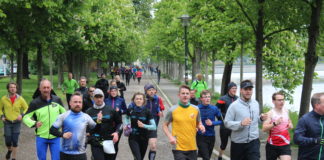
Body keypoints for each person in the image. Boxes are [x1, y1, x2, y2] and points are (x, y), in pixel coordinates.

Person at [23, 79, 66, 160]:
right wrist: (34, 123)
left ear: (51, 88)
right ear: (40, 89)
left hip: (55, 136)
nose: (46, 90)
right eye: (44, 88)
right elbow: (25, 117)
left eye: (48, 87)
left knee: (56, 158)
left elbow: (65, 115)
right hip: (41, 137)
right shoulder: (35, 103)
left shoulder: (57, 100)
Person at [224, 80, 267, 160]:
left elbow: (255, 121)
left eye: (250, 89)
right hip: (238, 144)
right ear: (241, 90)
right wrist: (240, 123)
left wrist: (260, 118)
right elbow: (227, 123)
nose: (248, 92)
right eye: (245, 89)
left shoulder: (255, 104)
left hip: (253, 142)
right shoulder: (234, 106)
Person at [163, 85, 205, 160]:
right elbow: (164, 125)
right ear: (179, 95)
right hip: (178, 146)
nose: (185, 95)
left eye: (187, 93)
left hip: (192, 146)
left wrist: (201, 126)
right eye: (183, 93)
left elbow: (199, 123)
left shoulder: (196, 109)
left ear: (190, 95)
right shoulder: (172, 110)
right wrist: (170, 137)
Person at [50, 93, 97, 160]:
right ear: (70, 103)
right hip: (65, 154)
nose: (78, 104)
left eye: (80, 102)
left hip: (81, 154)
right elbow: (52, 130)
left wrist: (89, 136)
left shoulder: (86, 117)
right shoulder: (63, 116)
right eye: (75, 102)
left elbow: (96, 129)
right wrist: (62, 134)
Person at [86, 88, 122, 160]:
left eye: (100, 97)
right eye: (96, 97)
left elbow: (120, 123)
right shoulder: (89, 112)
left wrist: (117, 132)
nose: (99, 99)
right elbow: (87, 128)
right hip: (96, 141)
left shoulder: (111, 110)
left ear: (103, 97)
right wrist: (88, 135)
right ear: (93, 98)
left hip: (108, 140)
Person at [124, 92, 157, 160]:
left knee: (140, 158)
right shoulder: (130, 110)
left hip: (144, 138)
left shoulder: (147, 111)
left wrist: (144, 125)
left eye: (140, 99)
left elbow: (154, 126)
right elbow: (126, 118)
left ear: (143, 101)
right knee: (138, 158)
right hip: (133, 138)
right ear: (134, 100)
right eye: (137, 99)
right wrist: (127, 124)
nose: (138, 100)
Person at [0, 82, 28, 160]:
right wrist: (2, 116)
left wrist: (22, 115)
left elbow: (26, 108)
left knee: (15, 141)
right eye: (11, 87)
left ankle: (14, 158)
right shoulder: (3, 99)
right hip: (7, 122)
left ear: (16, 89)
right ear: (8, 89)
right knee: (8, 141)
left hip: (17, 123)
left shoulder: (20, 99)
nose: (13, 88)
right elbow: (0, 109)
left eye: (14, 87)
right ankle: (9, 150)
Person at [262, 92, 293, 160]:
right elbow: (264, 128)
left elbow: (289, 120)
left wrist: (290, 124)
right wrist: (274, 123)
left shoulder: (286, 111)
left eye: (283, 99)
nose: (281, 102)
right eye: (279, 100)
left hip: (285, 143)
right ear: (273, 101)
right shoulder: (270, 113)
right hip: (272, 145)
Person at [294, 92, 324, 160]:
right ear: (317, 105)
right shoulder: (305, 119)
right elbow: (297, 139)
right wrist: (315, 141)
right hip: (307, 157)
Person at [196, 90, 222, 160]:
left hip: (211, 136)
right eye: (205, 97)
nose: (207, 99)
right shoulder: (196, 108)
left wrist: (213, 123)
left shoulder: (214, 108)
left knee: (207, 157)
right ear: (201, 99)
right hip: (200, 136)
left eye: (209, 97)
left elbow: (221, 121)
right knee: (206, 157)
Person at [216, 82, 238, 160]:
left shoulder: (238, 99)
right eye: (233, 88)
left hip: (234, 125)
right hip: (225, 125)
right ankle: (220, 156)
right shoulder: (223, 99)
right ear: (229, 89)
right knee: (224, 144)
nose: (234, 90)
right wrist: (221, 119)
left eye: (235, 88)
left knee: (235, 143)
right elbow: (217, 110)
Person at [104, 86, 127, 159]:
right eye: (112, 91)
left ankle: (113, 158)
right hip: (108, 125)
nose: (113, 92)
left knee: (115, 144)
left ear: (117, 92)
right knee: (107, 143)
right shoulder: (106, 100)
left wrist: (120, 111)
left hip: (118, 125)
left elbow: (125, 110)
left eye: (115, 91)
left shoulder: (121, 100)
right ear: (109, 92)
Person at [144, 84, 163, 160]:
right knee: (143, 147)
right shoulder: (143, 99)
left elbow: (158, 106)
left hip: (153, 125)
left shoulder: (157, 99)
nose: (152, 91)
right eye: (149, 90)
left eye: (153, 90)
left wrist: (159, 111)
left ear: (155, 91)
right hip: (143, 125)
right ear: (146, 91)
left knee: (153, 146)